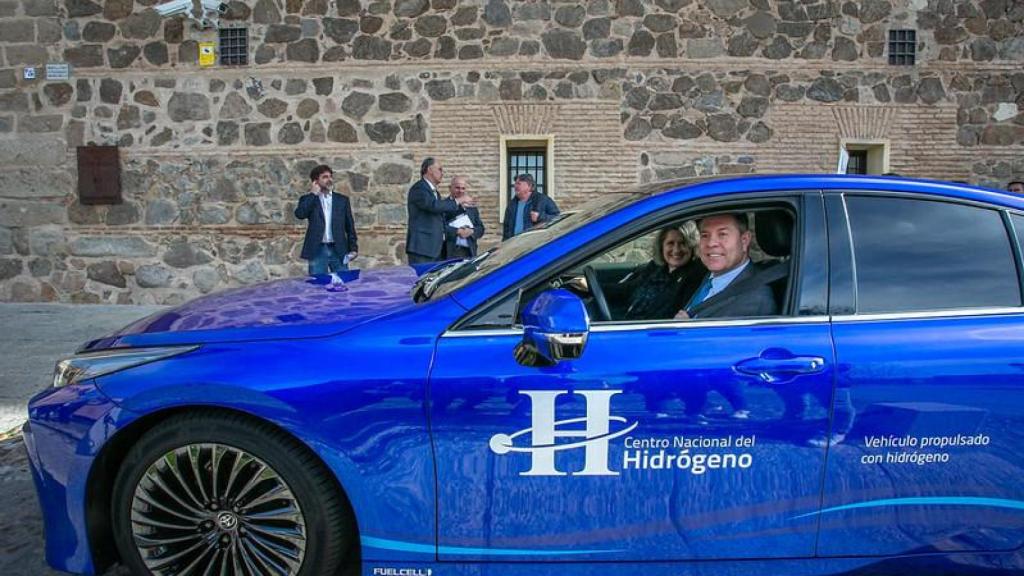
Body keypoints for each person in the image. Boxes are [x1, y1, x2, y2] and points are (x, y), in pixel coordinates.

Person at [677, 213, 779, 320]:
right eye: (705, 235)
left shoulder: (754, 302)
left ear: (744, 240)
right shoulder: (709, 275)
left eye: (722, 234)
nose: (711, 243)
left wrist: (683, 327)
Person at [605, 225, 705, 320]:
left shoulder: (693, 276)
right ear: (661, 247)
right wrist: (598, 290)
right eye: (670, 243)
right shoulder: (655, 268)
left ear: (691, 246)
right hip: (626, 318)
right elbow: (628, 289)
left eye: (682, 243)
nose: (676, 250)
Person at [406, 157, 474, 264]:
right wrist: (458, 200)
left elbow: (439, 220)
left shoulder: (435, 193)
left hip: (435, 249)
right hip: (423, 248)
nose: (442, 173)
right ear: (429, 170)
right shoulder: (419, 188)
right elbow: (433, 206)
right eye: (440, 169)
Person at [294, 164, 357, 275]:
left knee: (342, 280)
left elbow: (349, 225)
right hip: (318, 249)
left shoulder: (342, 200)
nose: (329, 180)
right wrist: (313, 194)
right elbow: (300, 214)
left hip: (338, 249)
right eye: (325, 177)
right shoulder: (308, 199)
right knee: (318, 282)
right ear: (315, 181)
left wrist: (353, 248)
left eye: (330, 176)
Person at [502, 173, 560, 240]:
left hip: (534, 243)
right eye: (515, 183)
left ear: (529, 186)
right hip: (514, 243)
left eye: (519, 184)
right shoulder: (512, 204)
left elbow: (557, 218)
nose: (515, 186)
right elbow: (506, 228)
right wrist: (504, 242)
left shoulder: (543, 200)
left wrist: (540, 217)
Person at [444, 176, 485, 259]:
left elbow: (481, 228)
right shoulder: (443, 205)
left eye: (463, 188)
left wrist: (471, 231)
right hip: (450, 251)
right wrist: (457, 231)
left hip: (469, 252)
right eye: (457, 188)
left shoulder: (471, 207)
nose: (460, 191)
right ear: (450, 188)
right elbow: (439, 227)